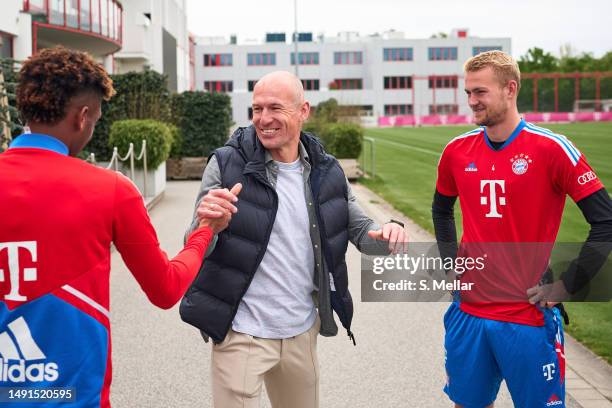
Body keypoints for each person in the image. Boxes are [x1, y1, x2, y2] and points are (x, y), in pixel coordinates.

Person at [0, 47, 230, 408]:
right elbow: (166, 288)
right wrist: (205, 231)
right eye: (96, 120)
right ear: (83, 117)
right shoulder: (111, 190)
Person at [179, 70, 406, 408]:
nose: (264, 119)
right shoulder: (226, 164)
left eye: (275, 108)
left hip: (300, 330)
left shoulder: (327, 170)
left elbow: (363, 233)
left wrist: (390, 232)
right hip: (242, 331)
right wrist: (208, 224)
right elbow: (194, 243)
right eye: (257, 109)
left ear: (303, 111)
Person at [432, 50, 612, 408]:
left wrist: (569, 284)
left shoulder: (552, 149)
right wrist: (452, 264)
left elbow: (605, 220)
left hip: (526, 317)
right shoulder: (456, 151)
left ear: (509, 89)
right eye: (468, 92)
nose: (471, 101)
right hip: (469, 313)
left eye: (480, 92)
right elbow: (441, 208)